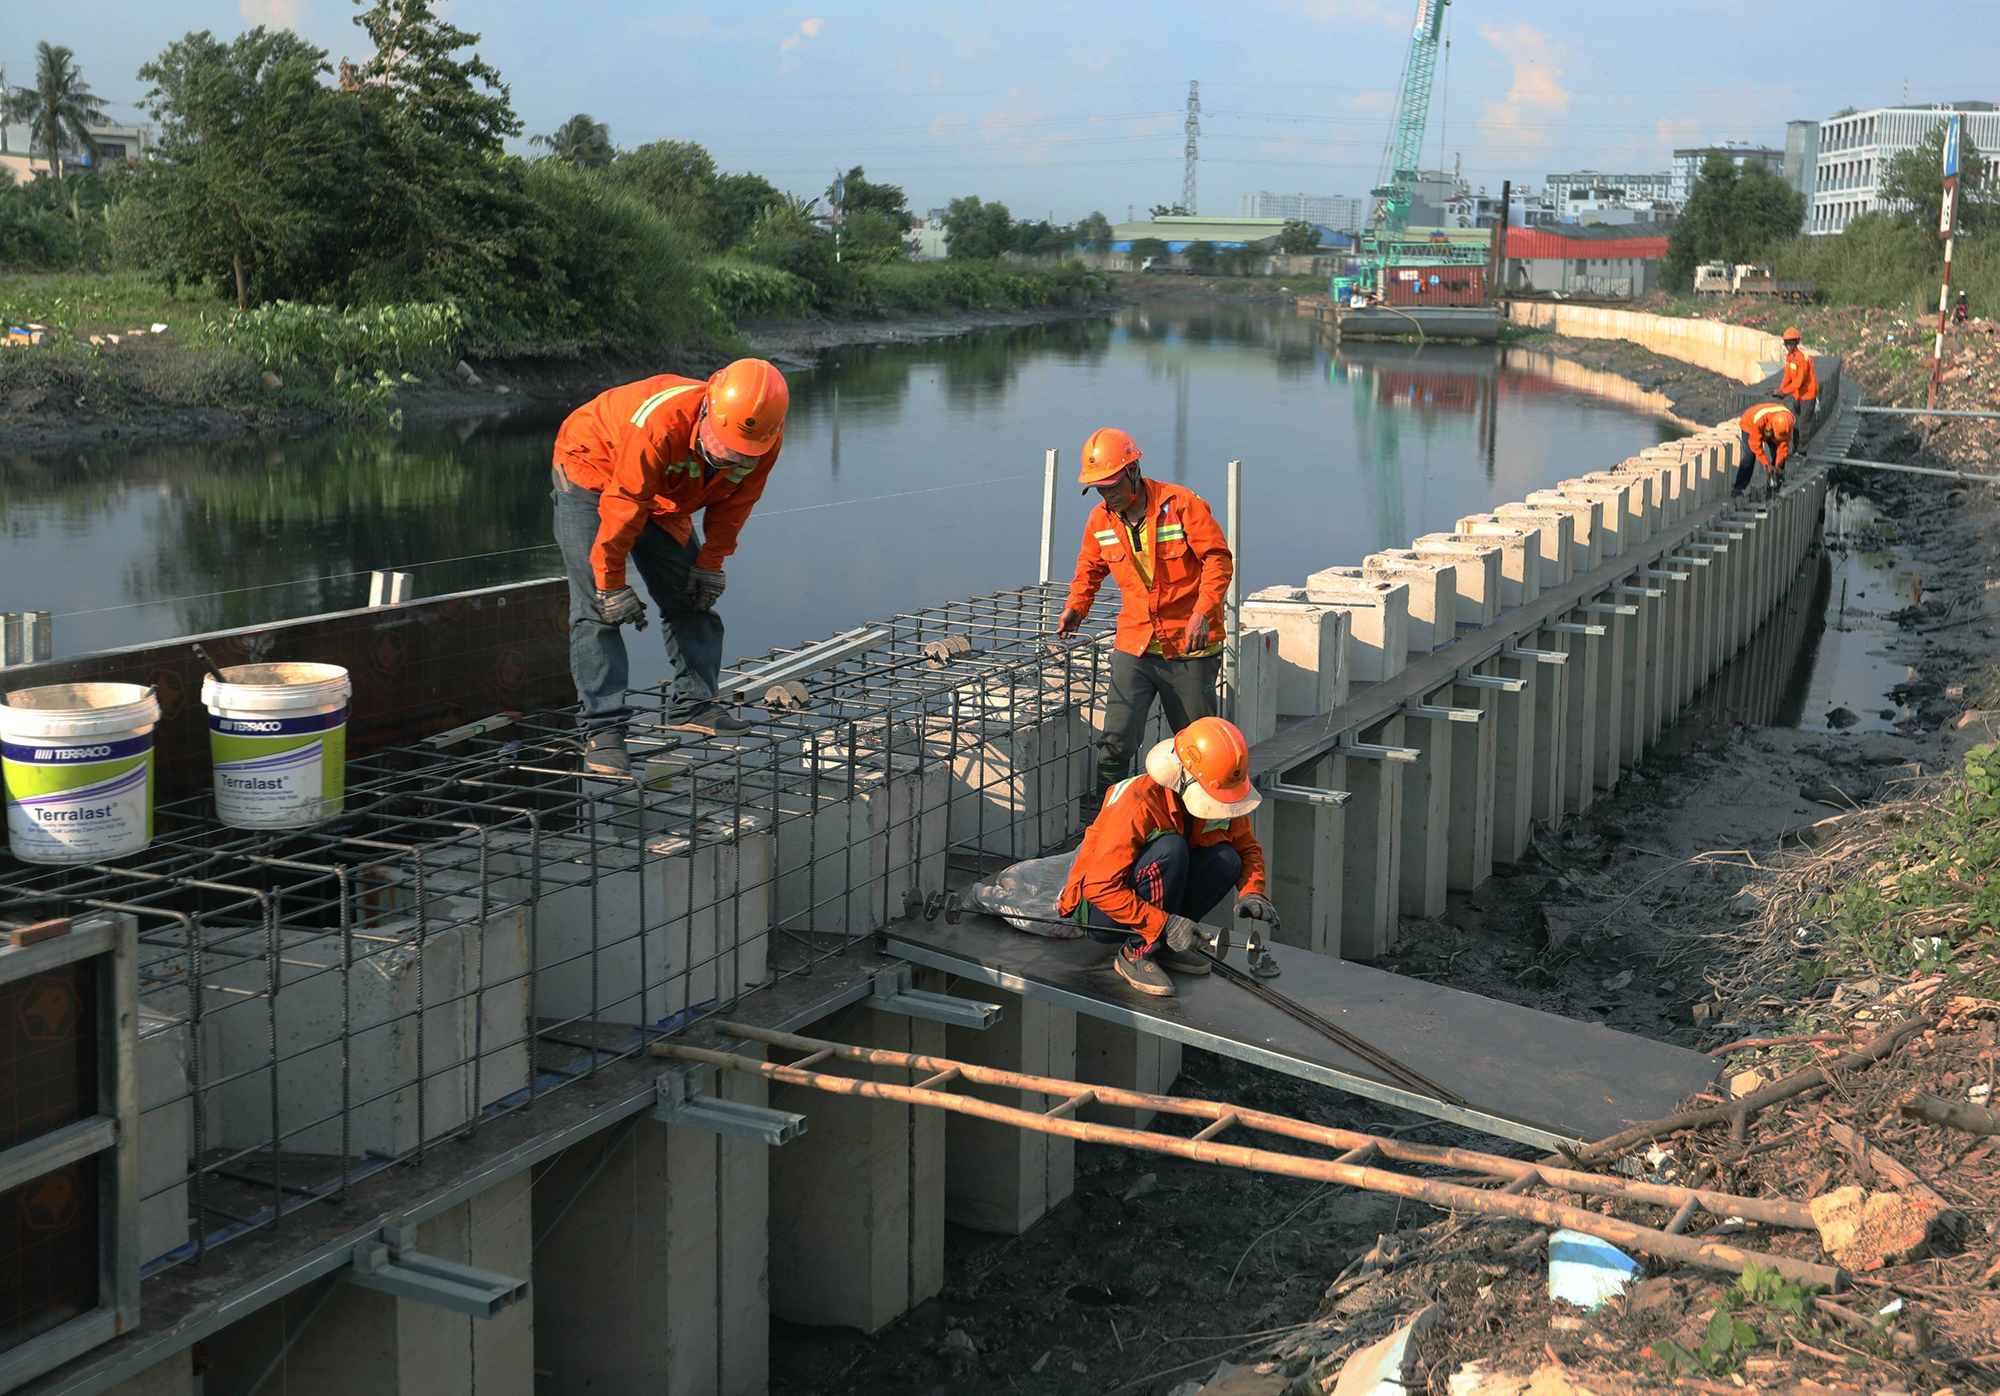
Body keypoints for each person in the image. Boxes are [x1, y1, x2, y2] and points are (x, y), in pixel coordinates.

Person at [551, 359, 788, 775]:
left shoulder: (762, 440)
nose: (730, 460)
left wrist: (711, 563)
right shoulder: (660, 423)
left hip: (665, 489)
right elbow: (624, 503)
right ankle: (603, 730)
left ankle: (693, 705)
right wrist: (610, 584)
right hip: (594, 470)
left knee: (692, 595)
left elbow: (736, 503)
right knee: (595, 611)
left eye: (740, 456)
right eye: (724, 447)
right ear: (707, 410)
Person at [1055, 428, 1234, 811]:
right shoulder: (1100, 521)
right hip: (1134, 644)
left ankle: (1202, 822)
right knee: (1116, 739)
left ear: (1133, 470)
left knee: (1197, 744)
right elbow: (1089, 569)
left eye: (1112, 484)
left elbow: (1218, 560)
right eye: (1099, 488)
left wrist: (1202, 612)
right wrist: (1077, 607)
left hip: (1189, 648)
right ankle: (1111, 820)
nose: (1108, 494)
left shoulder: (1181, 504)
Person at [1058, 717, 1277, 996]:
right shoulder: (1138, 802)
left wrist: (1252, 892)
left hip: (1152, 906)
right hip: (1102, 915)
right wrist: (1165, 924)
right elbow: (1099, 887)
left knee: (1226, 860)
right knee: (1171, 850)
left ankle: (1166, 943)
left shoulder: (1220, 796)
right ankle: (1138, 952)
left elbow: (1246, 848)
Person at [1773, 327, 1818, 454]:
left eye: (1791, 343)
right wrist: (1780, 389)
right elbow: (1787, 376)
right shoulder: (1789, 358)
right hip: (1797, 396)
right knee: (1796, 424)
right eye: (1787, 344)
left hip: (1807, 396)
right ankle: (1796, 450)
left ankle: (1802, 452)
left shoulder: (1803, 359)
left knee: (1803, 425)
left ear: (1796, 343)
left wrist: (1785, 393)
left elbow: (1799, 382)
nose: (1789, 346)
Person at [1736, 402, 1795, 498]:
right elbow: (1755, 445)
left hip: (1770, 430)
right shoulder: (1759, 420)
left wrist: (1777, 465)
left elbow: (1783, 448)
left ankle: (1773, 490)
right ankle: (1738, 488)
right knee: (1750, 454)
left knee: (1779, 458)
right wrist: (1767, 464)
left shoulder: (1787, 424)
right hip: (1750, 425)